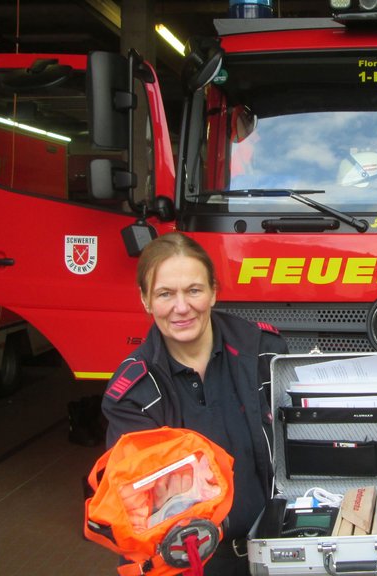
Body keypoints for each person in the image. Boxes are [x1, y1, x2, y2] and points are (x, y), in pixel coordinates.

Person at [101, 231, 288, 575]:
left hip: (274, 551)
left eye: (194, 290)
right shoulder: (133, 394)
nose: (181, 307)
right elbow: (141, 506)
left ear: (214, 291)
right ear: (145, 300)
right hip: (188, 562)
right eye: (165, 294)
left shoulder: (265, 352)